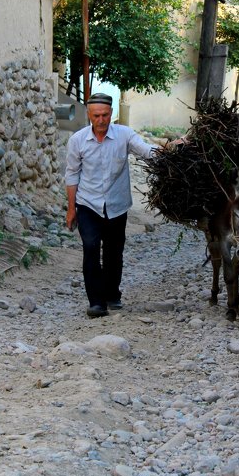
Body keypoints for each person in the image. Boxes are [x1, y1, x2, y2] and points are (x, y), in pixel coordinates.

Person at [65, 93, 157, 318]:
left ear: (111, 114)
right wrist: (71, 209)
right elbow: (72, 174)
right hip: (88, 204)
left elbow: (146, 152)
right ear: (89, 115)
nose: (101, 120)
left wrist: (171, 151)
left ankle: (112, 294)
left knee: (114, 252)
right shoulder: (77, 140)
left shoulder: (124, 135)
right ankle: (96, 302)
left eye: (105, 115)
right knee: (90, 248)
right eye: (96, 115)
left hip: (116, 204)